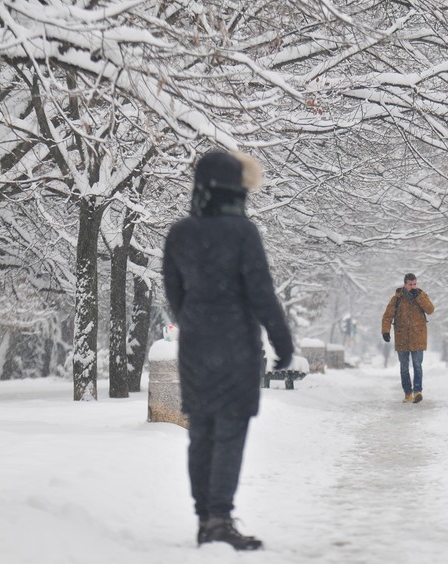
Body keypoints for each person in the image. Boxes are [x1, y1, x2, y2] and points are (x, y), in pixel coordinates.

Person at [163, 149, 294, 550]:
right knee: (230, 430)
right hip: (236, 345)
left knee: (201, 431)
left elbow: (174, 293)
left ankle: (205, 517)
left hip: (196, 346)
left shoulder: (179, 232)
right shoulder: (242, 232)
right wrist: (281, 340)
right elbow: (260, 292)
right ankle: (220, 517)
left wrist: (197, 322)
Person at [381, 273, 435, 403]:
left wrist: (420, 298)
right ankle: (407, 392)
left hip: (418, 336)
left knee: (417, 365)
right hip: (402, 337)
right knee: (404, 367)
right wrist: (385, 331)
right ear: (405, 284)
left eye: (414, 284)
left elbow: (430, 310)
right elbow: (388, 315)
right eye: (410, 284)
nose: (413, 287)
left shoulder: (421, 296)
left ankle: (417, 391)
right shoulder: (397, 299)